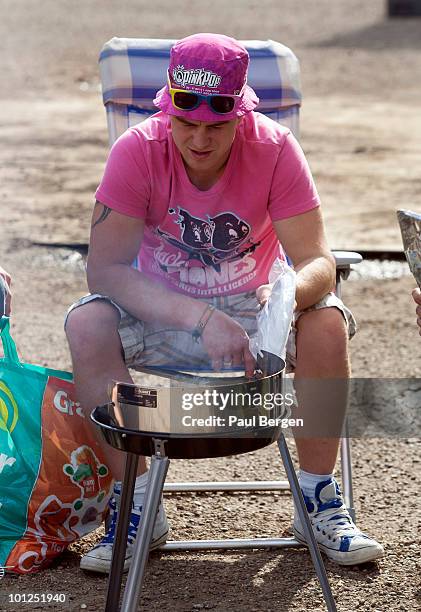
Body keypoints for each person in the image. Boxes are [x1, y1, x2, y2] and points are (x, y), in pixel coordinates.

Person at [65, 33, 383, 573]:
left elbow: (317, 260)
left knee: (326, 320)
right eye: (185, 123)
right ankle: (138, 502)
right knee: (87, 323)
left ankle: (317, 499)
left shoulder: (275, 147)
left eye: (216, 126)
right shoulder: (138, 148)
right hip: (161, 308)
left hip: (254, 307)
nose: (198, 140)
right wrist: (200, 317)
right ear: (168, 107)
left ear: (241, 114)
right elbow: (106, 268)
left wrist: (286, 295)